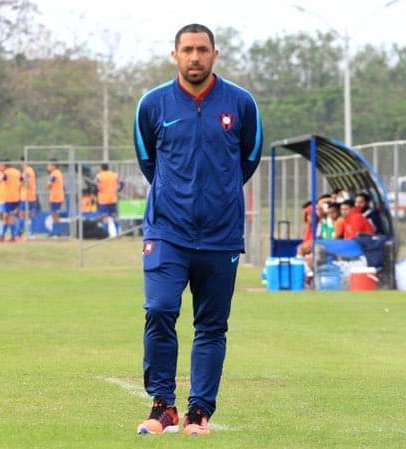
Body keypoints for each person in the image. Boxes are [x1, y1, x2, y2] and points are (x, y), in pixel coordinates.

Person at [133, 23, 263, 436]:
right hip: (167, 231)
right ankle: (162, 407)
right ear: (175, 55)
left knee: (211, 326)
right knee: (159, 310)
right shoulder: (153, 104)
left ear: (214, 54)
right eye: (187, 49)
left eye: (202, 49)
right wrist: (177, 194)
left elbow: (249, 158)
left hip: (221, 235)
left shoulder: (240, 103)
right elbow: (148, 161)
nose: (195, 57)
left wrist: (219, 194)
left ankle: (198, 413)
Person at [95, 163, 124, 237]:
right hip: (113, 198)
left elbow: (96, 186)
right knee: (114, 216)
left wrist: (98, 191)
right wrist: (118, 190)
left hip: (103, 199)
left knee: (104, 217)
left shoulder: (99, 176)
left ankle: (106, 234)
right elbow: (122, 183)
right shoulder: (114, 175)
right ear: (108, 168)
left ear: (101, 168)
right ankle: (118, 232)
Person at [0, 160, 21, 242]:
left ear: (4, 165)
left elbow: (3, 178)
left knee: (8, 217)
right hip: (16, 197)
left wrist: (0, 173)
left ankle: (10, 236)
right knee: (8, 216)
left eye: (0, 165)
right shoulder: (17, 172)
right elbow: (22, 180)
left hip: (8, 198)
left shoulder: (5, 172)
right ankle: (3, 235)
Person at [17, 157, 37, 239]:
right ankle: (31, 233)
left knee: (22, 214)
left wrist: (21, 182)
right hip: (31, 196)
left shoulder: (27, 171)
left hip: (26, 196)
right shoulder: (30, 170)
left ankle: (19, 233)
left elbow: (27, 183)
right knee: (31, 215)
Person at [46, 160, 65, 237]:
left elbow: (49, 184)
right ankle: (55, 231)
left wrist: (48, 185)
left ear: (54, 166)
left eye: (49, 165)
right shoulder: (57, 173)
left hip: (56, 197)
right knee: (54, 214)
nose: (48, 167)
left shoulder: (55, 173)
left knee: (55, 214)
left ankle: (57, 232)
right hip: (56, 196)